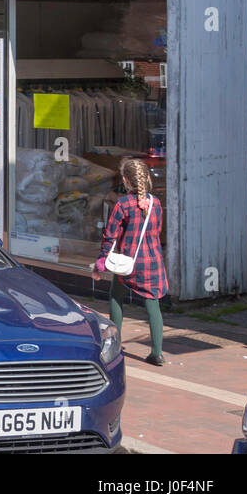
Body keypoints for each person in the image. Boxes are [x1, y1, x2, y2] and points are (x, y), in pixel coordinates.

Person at [93, 156, 169, 366]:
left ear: (126, 180)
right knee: (152, 303)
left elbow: (110, 235)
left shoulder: (122, 204)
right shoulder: (156, 203)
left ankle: (115, 343)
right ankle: (157, 352)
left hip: (128, 261)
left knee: (116, 297)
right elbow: (158, 231)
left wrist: (102, 260)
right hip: (152, 260)